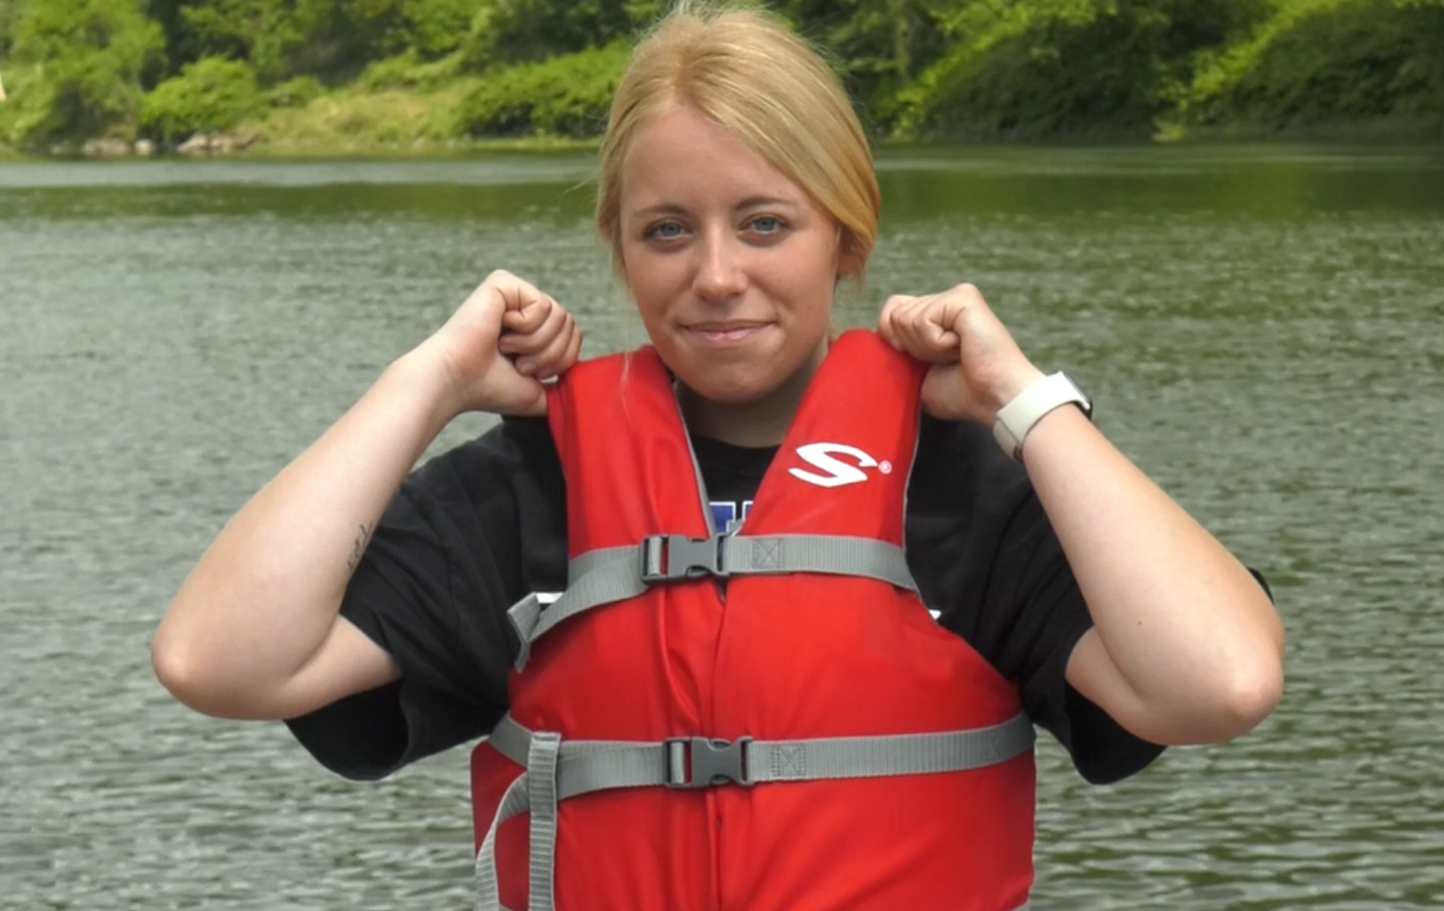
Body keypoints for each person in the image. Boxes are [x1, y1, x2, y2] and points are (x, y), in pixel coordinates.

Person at [152, 3, 1285, 910]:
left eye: (764, 223)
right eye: (666, 231)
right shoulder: (533, 486)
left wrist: (1026, 403)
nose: (716, 276)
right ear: (619, 248)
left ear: (847, 237)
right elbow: (219, 659)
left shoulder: (959, 488)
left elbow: (1221, 684)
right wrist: (426, 383)